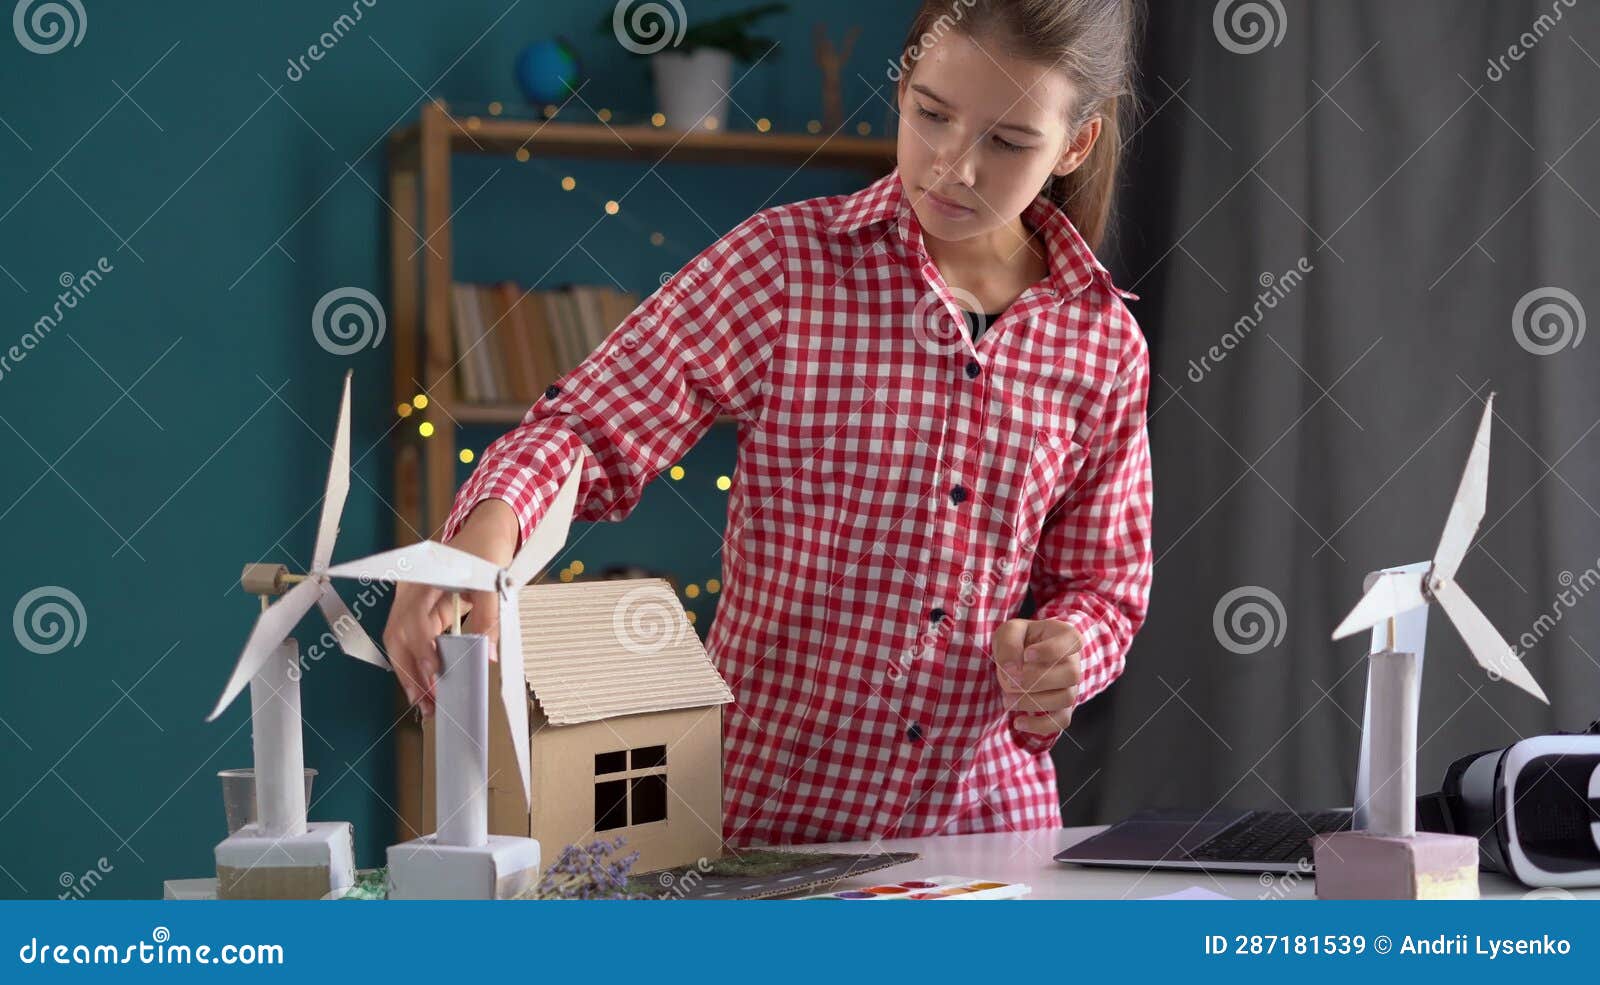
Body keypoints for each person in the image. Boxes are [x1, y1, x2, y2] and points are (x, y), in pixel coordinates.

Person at [382, 0, 1151, 845]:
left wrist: (1068, 649)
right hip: (765, 827)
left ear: (1074, 145)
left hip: (988, 837)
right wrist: (477, 544)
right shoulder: (785, 266)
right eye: (931, 115)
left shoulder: (1103, 342)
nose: (954, 166)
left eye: (1008, 142)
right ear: (903, 86)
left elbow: (1105, 586)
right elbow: (589, 427)